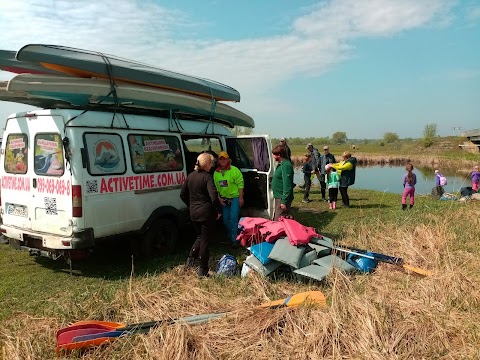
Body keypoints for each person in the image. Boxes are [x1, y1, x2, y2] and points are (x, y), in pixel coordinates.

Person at [181, 153, 221, 278]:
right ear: (207, 164)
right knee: (205, 241)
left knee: (200, 236)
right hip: (206, 213)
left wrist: (191, 205)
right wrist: (218, 211)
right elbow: (214, 197)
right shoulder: (207, 177)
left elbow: (182, 194)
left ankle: (190, 259)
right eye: (211, 163)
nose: (212, 166)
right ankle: (203, 270)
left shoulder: (190, 176)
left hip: (193, 213)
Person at [213, 151, 244, 246]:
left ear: (228, 160)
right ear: (218, 160)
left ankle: (234, 240)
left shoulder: (234, 170)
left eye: (224, 158)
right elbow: (216, 187)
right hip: (224, 199)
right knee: (225, 220)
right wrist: (219, 198)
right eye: (220, 159)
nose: (222, 160)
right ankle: (231, 236)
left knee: (233, 218)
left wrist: (241, 198)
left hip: (234, 197)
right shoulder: (216, 173)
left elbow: (240, 184)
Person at [272, 145, 294, 220]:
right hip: (279, 196)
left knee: (278, 220)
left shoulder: (286, 165)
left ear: (279, 155)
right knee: (280, 219)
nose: (273, 156)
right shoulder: (281, 164)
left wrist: (284, 201)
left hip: (282, 197)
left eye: (274, 154)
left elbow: (287, 184)